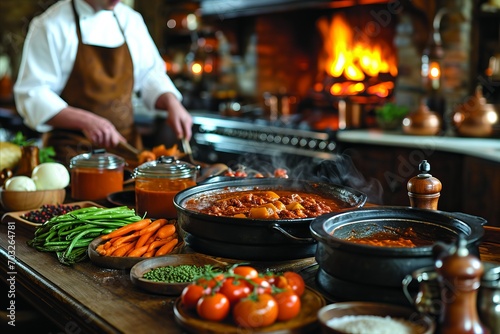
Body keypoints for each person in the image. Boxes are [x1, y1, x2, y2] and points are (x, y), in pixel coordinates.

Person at [13, 0, 193, 165]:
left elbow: (150, 75)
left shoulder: (130, 20)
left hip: (128, 151)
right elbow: (33, 94)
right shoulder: (51, 25)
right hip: (72, 156)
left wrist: (172, 102)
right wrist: (86, 121)